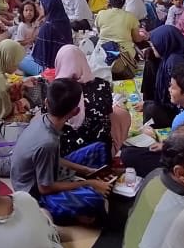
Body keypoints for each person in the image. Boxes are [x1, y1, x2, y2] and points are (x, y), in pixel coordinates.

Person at [10, 78, 113, 225]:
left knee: (99, 148)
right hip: (33, 193)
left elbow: (53, 158)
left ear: (46, 102)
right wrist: (88, 183)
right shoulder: (47, 141)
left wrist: (85, 170)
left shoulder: (43, 120)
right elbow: (45, 188)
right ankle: (61, 212)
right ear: (76, 111)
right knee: (94, 199)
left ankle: (81, 201)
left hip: (48, 173)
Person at [54, 44, 132, 157]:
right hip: (101, 152)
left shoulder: (55, 90)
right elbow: (108, 114)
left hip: (67, 155)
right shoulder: (102, 85)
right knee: (121, 114)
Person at [141, 25, 184, 129]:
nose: (154, 47)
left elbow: (175, 96)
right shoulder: (173, 54)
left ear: (165, 43)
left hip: (179, 107)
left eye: (155, 45)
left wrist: (150, 104)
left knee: (150, 110)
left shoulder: (174, 61)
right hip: (177, 101)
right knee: (150, 59)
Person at [95, 0, 141, 80]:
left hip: (102, 55)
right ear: (124, 1)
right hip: (124, 58)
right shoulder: (130, 16)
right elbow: (137, 39)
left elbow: (99, 32)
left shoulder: (101, 14)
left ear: (109, 1)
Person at [32, 0, 74, 70]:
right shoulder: (64, 20)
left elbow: (39, 55)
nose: (40, 8)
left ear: (48, 6)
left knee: (22, 60)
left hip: (49, 68)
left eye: (42, 5)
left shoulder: (47, 26)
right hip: (66, 63)